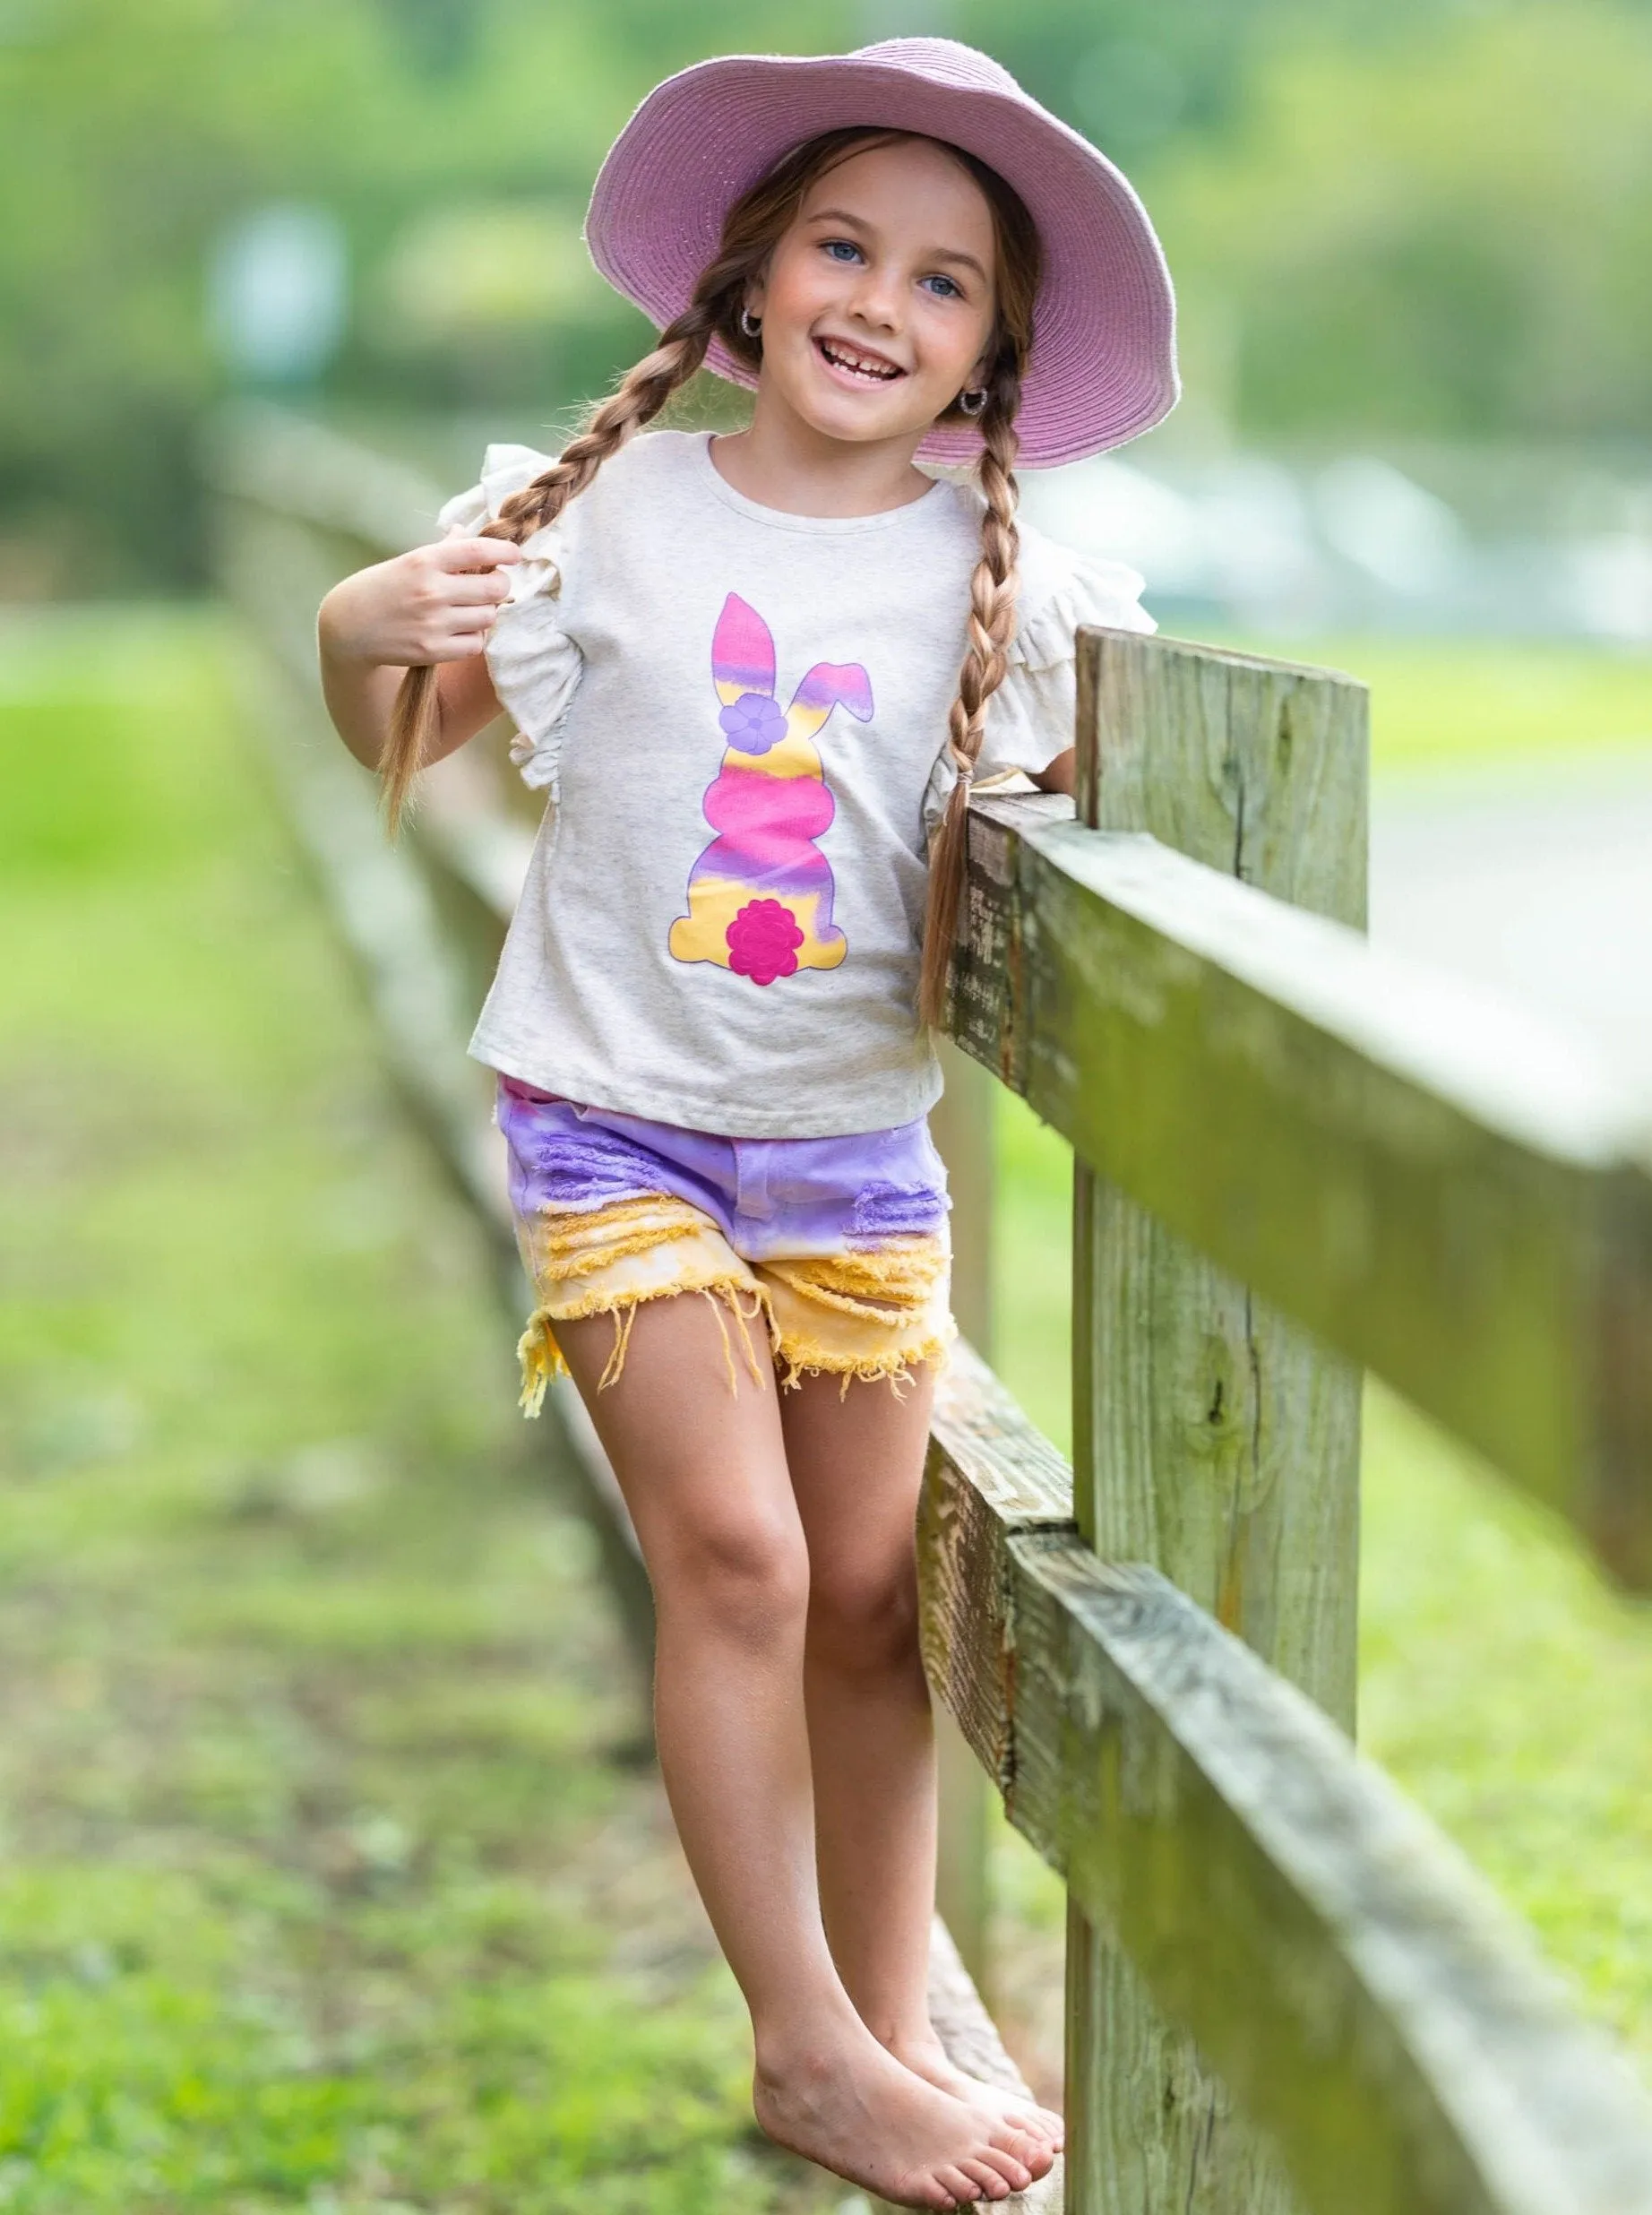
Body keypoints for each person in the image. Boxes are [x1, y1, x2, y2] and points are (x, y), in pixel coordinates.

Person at [316, 35, 1176, 2207]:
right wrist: (350, 629)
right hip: (614, 1122)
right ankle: (801, 2043)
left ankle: (886, 2032)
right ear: (749, 275)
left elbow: (1129, 834)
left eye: (946, 279)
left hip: (851, 1158)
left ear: (994, 348)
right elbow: (401, 715)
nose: (881, 300)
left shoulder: (1019, 588)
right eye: (841, 245)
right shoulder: (608, 511)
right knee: (739, 1559)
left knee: (872, 1604)